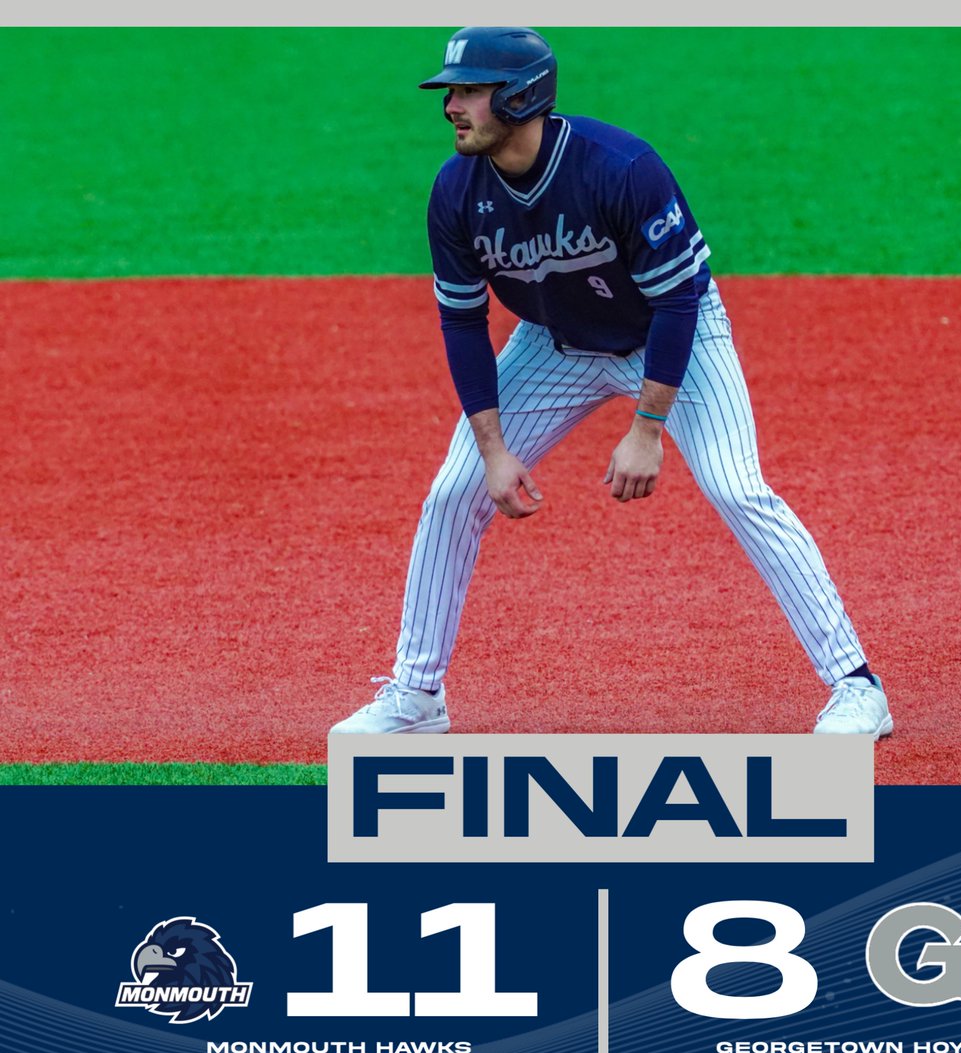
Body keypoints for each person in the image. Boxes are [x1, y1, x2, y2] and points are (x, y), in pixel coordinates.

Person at [332, 26, 892, 739]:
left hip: (670, 332)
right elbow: (464, 324)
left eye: (469, 91)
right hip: (556, 344)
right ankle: (416, 697)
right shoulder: (455, 191)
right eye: (451, 92)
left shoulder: (620, 168)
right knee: (454, 492)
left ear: (521, 96)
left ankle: (857, 686)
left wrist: (647, 428)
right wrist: (494, 451)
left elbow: (678, 300)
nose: (451, 106)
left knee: (735, 486)